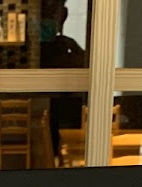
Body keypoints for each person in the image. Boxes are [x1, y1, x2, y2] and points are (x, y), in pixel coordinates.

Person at [39, 0, 87, 165]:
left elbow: (87, 67)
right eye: (43, 10)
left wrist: (74, 48)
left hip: (67, 105)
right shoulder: (36, 50)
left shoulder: (65, 46)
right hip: (52, 105)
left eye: (53, 10)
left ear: (63, 15)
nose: (47, 15)